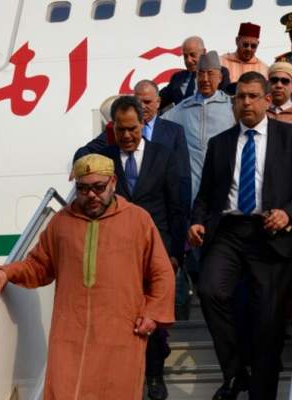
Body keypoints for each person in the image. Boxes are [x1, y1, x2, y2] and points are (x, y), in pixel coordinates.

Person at [0, 154, 176, 400]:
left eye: (98, 187)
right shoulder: (61, 223)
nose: (91, 195)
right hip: (70, 335)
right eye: (83, 189)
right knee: (64, 390)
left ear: (113, 182)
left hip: (120, 333)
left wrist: (152, 313)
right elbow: (39, 266)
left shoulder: (138, 220)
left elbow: (161, 272)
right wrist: (7, 272)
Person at [188, 71, 292, 400]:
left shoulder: (291, 138)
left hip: (271, 234)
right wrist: (198, 221)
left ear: (267, 100)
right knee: (210, 290)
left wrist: (287, 213)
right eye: (239, 97)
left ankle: (262, 393)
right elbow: (205, 196)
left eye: (252, 96)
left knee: (267, 322)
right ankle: (235, 372)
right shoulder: (219, 144)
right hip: (229, 232)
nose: (245, 102)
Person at [75, 96, 185, 400]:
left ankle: (154, 374)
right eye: (120, 129)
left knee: (154, 314)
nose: (126, 135)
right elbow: (80, 163)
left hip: (157, 249)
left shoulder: (164, 156)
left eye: (132, 129)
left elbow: (177, 207)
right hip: (117, 253)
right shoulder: (104, 158)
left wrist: (176, 253)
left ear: (143, 124)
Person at [74, 81, 191, 215]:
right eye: (138, 101)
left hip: (156, 219)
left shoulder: (174, 132)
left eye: (147, 102)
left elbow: (183, 177)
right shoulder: (115, 132)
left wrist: (185, 216)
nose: (127, 135)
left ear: (158, 102)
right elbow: (86, 151)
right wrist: (82, 167)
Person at [162, 51, 235, 204]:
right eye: (201, 74)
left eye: (210, 74)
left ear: (220, 78)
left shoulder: (232, 107)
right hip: (192, 192)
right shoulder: (183, 108)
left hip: (226, 191)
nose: (205, 79)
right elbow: (158, 127)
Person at [159, 36, 232, 110]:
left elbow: (226, 101)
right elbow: (158, 100)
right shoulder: (177, 78)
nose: (188, 60)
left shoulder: (219, 72)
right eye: (185, 56)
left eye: (192, 55)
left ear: (204, 52)